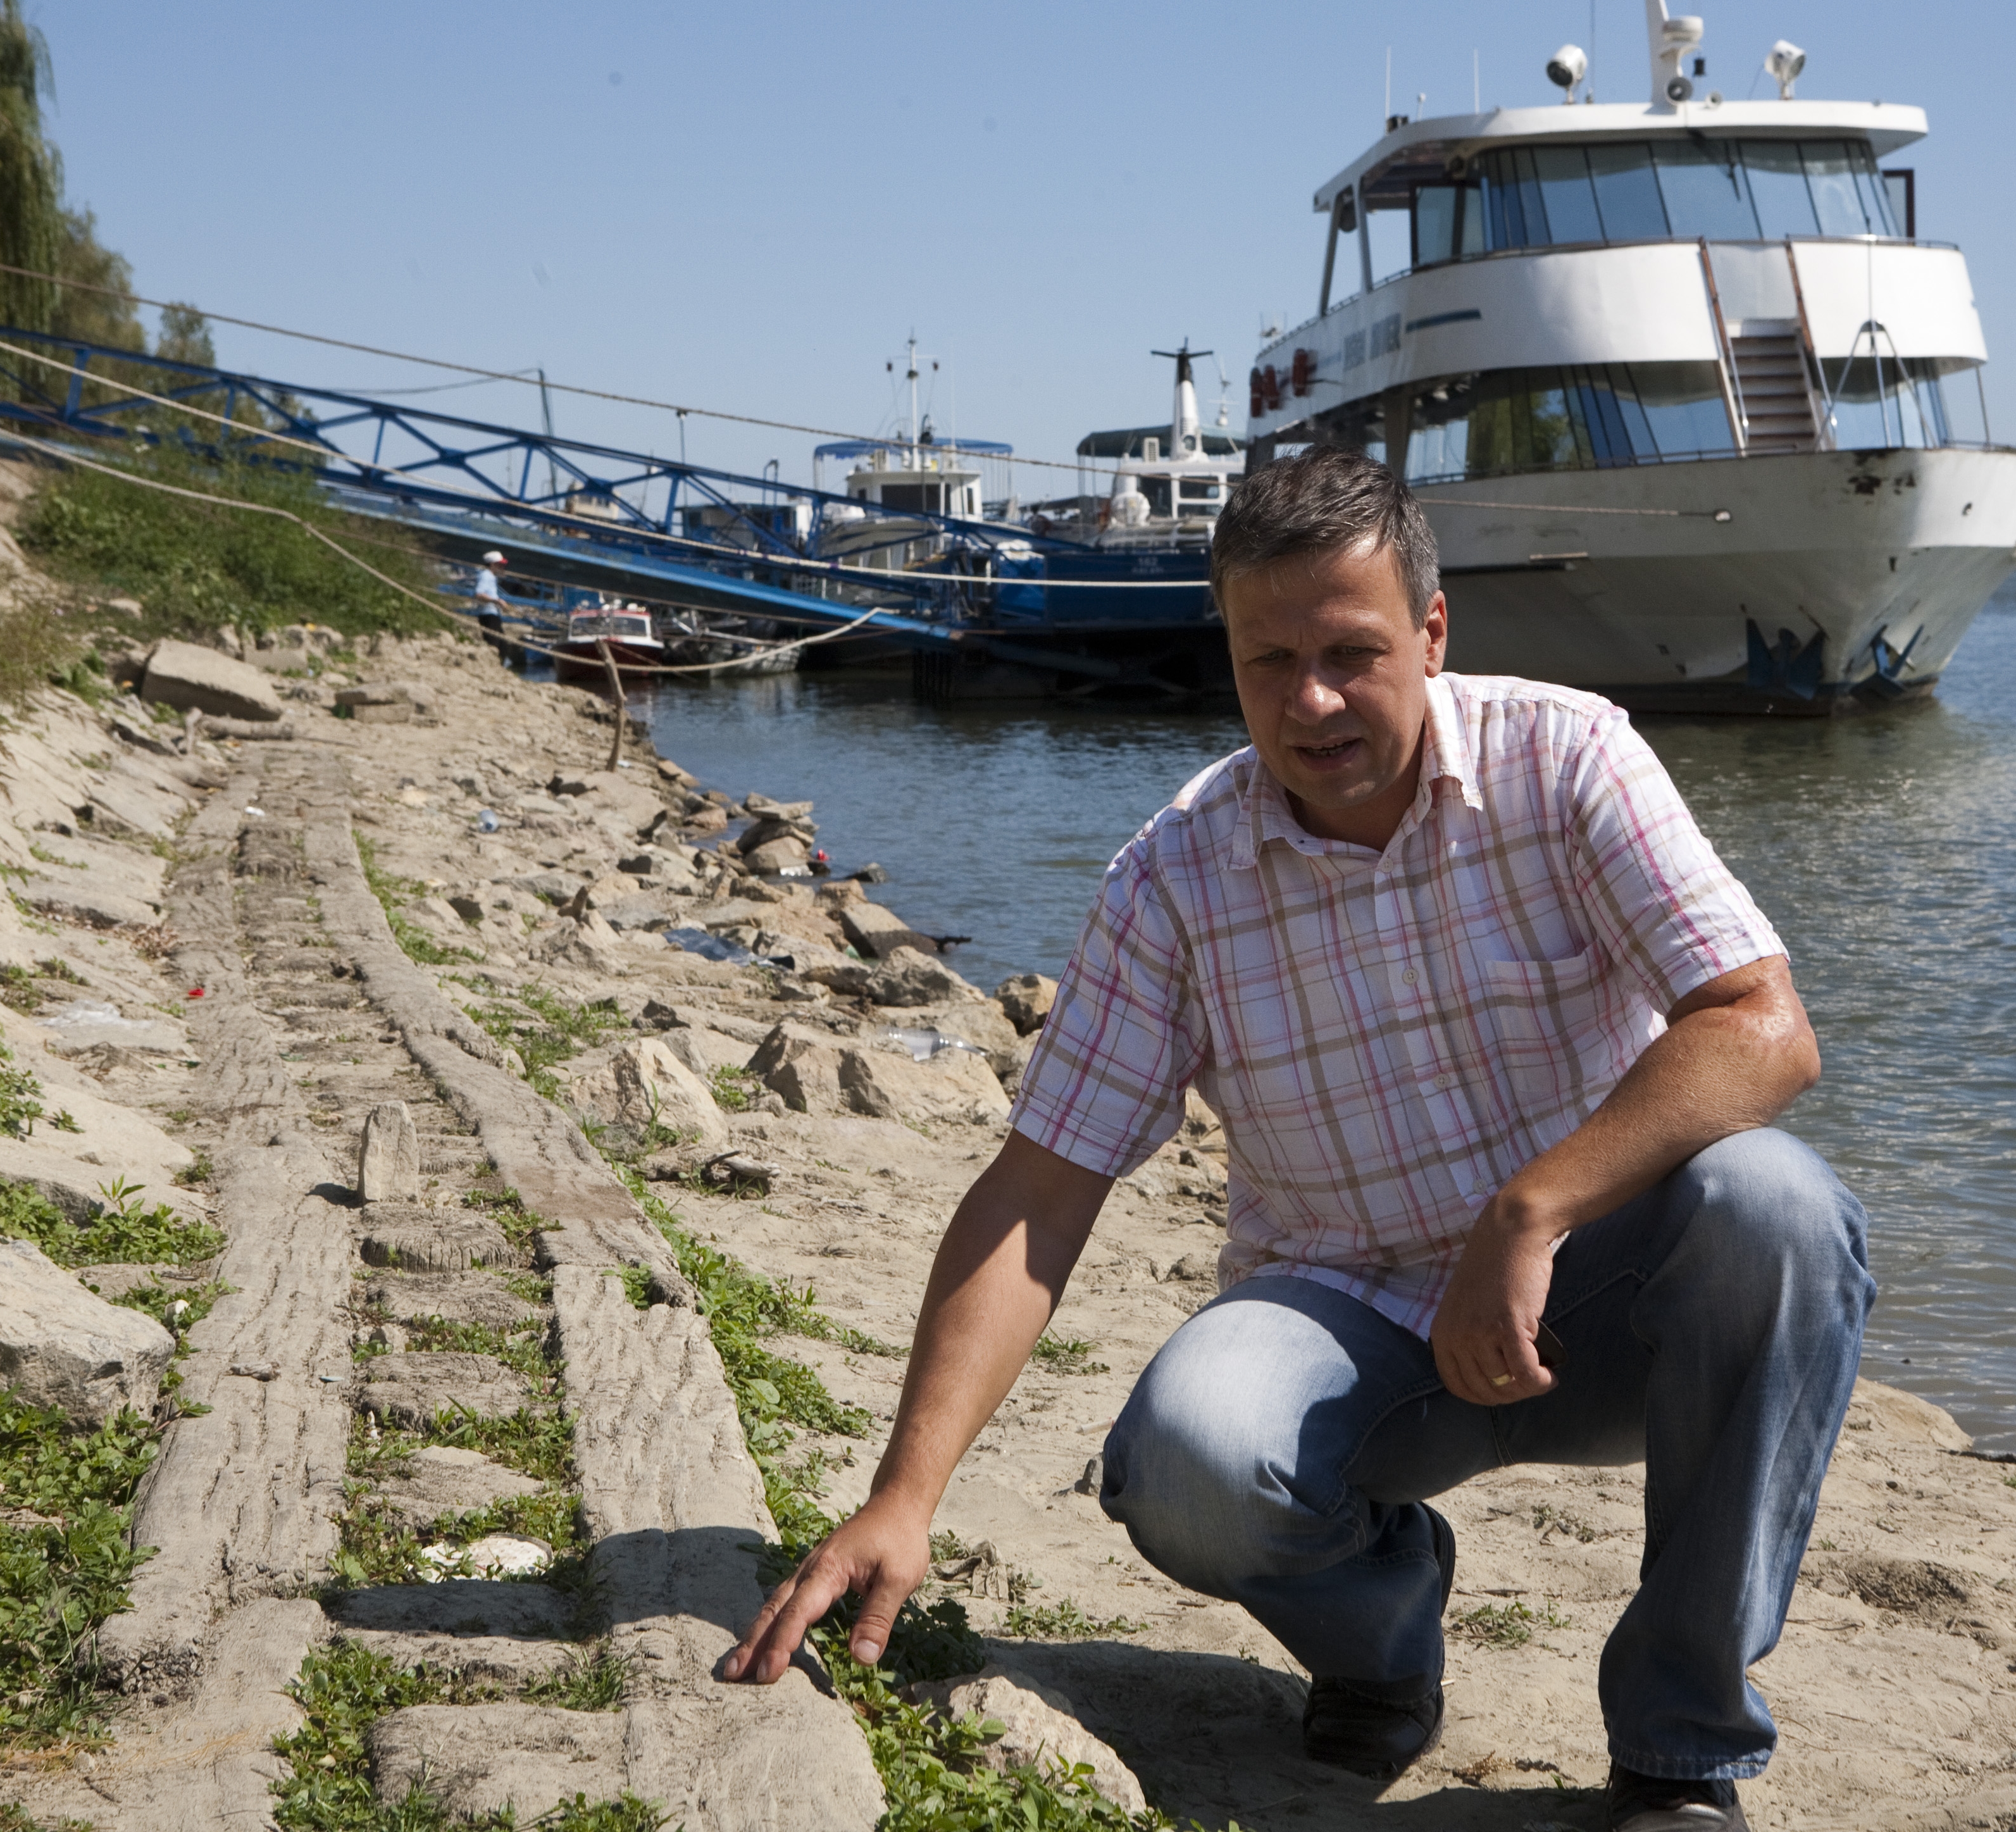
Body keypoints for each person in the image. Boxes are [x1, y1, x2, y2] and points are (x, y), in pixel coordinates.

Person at [724, 447, 1872, 1832]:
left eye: (1352, 652)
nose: (1312, 699)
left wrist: (1534, 1209)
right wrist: (902, 1496)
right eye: (1270, 660)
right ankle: (1387, 1641)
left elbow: (1764, 1026)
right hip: (1360, 1329)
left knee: (1778, 1209)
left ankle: (1681, 1755)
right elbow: (1041, 1189)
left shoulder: (1568, 755)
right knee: (1193, 1458)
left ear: (1433, 633)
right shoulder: (1173, 875)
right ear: (1228, 652)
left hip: (1603, 1301)